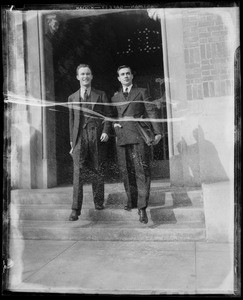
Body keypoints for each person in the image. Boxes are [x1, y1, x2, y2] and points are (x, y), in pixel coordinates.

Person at [111, 65, 162, 224]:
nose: (125, 76)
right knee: (126, 171)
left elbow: (151, 111)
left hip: (139, 135)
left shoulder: (141, 92)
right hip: (122, 137)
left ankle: (142, 208)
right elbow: (110, 116)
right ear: (118, 78)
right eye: (122, 74)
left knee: (141, 171)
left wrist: (157, 131)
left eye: (128, 73)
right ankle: (131, 201)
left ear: (132, 76)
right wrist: (114, 124)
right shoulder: (114, 98)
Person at [68, 64, 111, 221]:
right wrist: (72, 142)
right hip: (80, 138)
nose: (85, 76)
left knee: (97, 169)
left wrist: (106, 130)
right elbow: (71, 121)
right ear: (77, 77)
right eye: (82, 74)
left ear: (91, 76)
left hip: (96, 136)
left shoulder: (100, 94)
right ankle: (75, 209)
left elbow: (108, 115)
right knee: (78, 173)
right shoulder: (72, 98)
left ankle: (98, 202)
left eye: (88, 74)